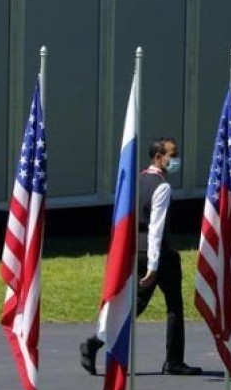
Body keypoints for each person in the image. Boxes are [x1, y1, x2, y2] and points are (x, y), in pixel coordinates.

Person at [79, 137, 202, 376]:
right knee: (169, 306)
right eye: (172, 155)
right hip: (157, 255)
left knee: (139, 303)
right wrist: (154, 266)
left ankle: (97, 341)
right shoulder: (162, 187)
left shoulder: (136, 182)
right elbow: (156, 228)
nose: (175, 160)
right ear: (158, 157)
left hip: (136, 249)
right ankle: (171, 360)